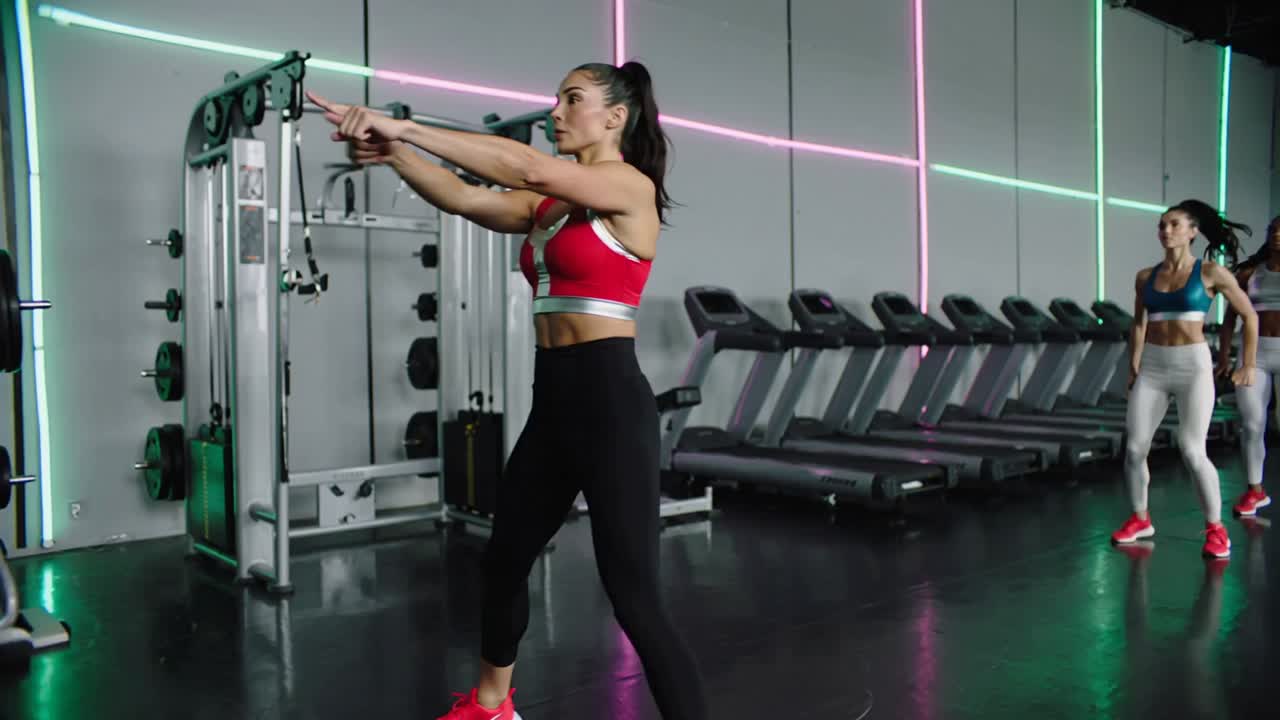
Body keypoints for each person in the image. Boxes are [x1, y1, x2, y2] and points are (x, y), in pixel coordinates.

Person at [307, 61, 709, 720]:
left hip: (610, 405)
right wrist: (394, 153)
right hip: (553, 404)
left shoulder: (629, 188)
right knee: (504, 560)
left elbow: (523, 167)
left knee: (633, 596)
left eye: (572, 99)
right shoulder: (549, 209)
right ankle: (494, 706)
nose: (556, 111)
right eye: (555, 99)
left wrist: (400, 123)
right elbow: (464, 197)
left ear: (615, 116)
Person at [1111, 199, 1257, 559]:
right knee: (1133, 448)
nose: (1166, 230)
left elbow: (1249, 317)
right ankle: (1140, 518)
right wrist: (1133, 364)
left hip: (1193, 367)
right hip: (1154, 368)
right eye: (1162, 225)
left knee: (1192, 449)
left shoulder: (1211, 273)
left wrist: (1248, 363)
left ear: (1193, 231)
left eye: (1174, 224)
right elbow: (1140, 323)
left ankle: (1216, 529)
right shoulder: (1145, 277)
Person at [1216, 215, 1280, 518]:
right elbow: (1230, 319)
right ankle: (1255, 490)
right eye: (1274, 230)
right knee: (1252, 424)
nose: (1278, 235)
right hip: (1253, 355)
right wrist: (1224, 356)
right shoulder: (1249, 274)